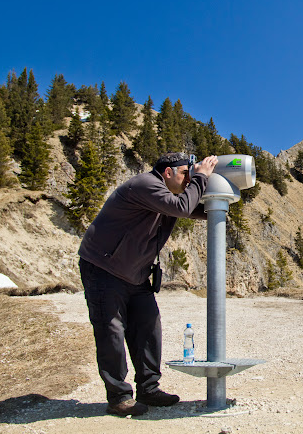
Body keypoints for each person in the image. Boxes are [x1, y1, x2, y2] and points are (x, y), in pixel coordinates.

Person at [78, 152, 218, 416]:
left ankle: (149, 389)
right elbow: (182, 208)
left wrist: (220, 200)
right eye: (185, 174)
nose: (189, 179)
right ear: (168, 172)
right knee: (112, 332)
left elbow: (194, 209)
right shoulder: (146, 185)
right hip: (104, 268)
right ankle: (119, 396)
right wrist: (200, 176)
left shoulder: (167, 194)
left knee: (148, 328)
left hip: (136, 274)